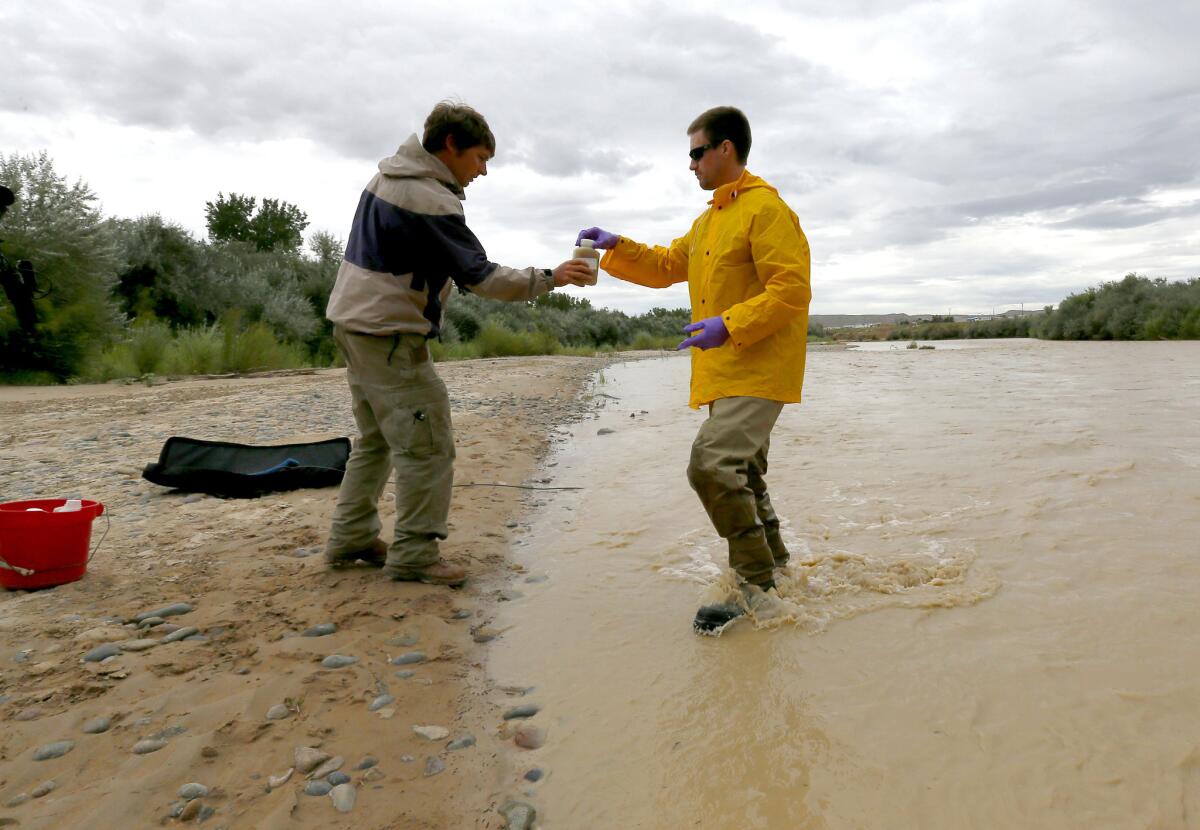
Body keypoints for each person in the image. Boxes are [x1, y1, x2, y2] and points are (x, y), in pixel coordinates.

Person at [325, 101, 594, 587]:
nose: (483, 171)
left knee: (378, 439)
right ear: (450, 146)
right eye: (479, 158)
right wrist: (552, 277)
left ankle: (351, 536)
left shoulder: (386, 179)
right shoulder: (428, 198)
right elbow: (481, 276)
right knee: (428, 444)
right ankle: (414, 556)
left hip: (354, 322)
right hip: (388, 332)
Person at [577, 105, 811, 632]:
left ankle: (754, 586)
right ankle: (778, 567)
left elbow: (792, 290)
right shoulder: (710, 219)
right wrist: (616, 246)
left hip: (759, 366)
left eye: (696, 153)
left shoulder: (766, 211)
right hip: (724, 371)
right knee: (743, 471)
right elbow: (666, 265)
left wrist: (728, 324)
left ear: (726, 148)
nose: (691, 165)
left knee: (709, 464)